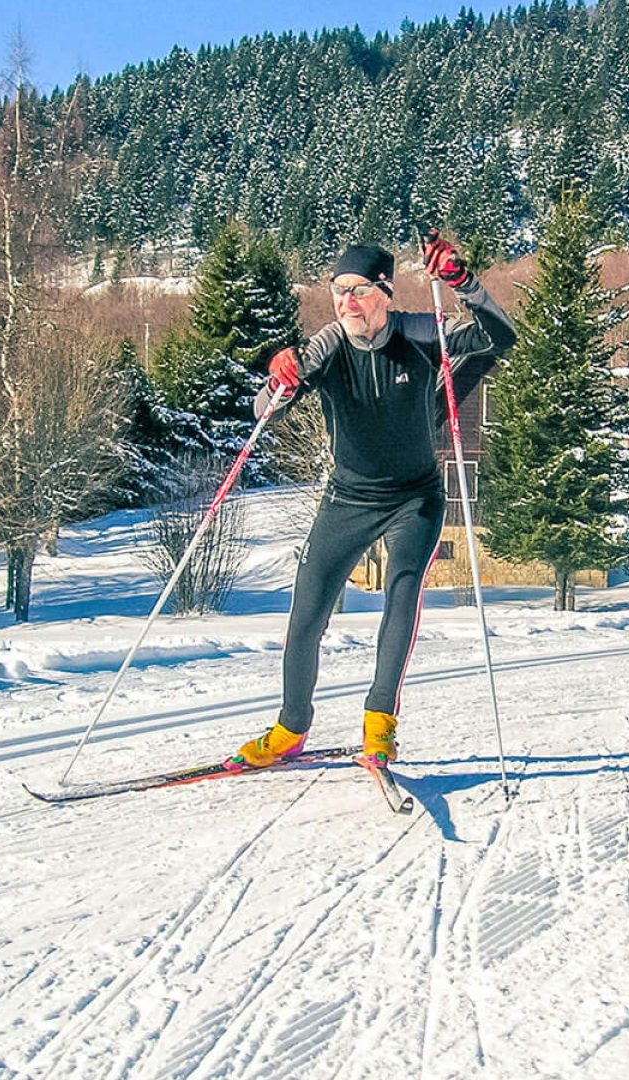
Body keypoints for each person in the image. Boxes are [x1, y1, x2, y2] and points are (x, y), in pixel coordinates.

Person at [232, 232, 516, 770]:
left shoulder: (418, 331)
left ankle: (379, 724)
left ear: (385, 292)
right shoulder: (329, 344)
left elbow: (499, 339)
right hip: (348, 498)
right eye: (339, 291)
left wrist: (463, 284)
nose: (347, 302)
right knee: (306, 614)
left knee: (402, 594)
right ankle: (290, 729)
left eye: (359, 290)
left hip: (415, 498)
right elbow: (265, 411)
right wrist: (278, 382)